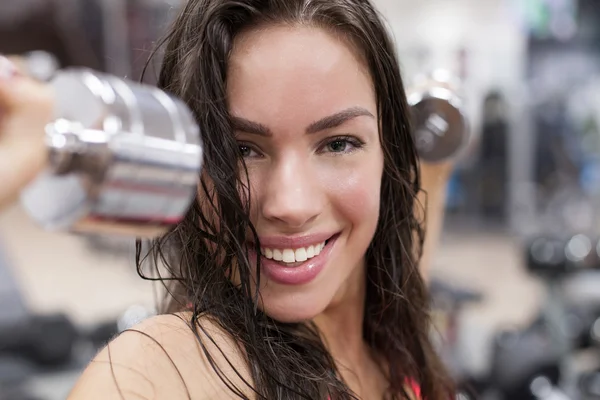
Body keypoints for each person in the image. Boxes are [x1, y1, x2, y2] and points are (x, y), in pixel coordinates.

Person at [0, 0, 457, 398]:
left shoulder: (388, 325)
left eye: (337, 144)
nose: (292, 205)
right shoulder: (178, 365)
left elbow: (417, 226)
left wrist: (436, 166)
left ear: (389, 153)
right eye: (241, 150)